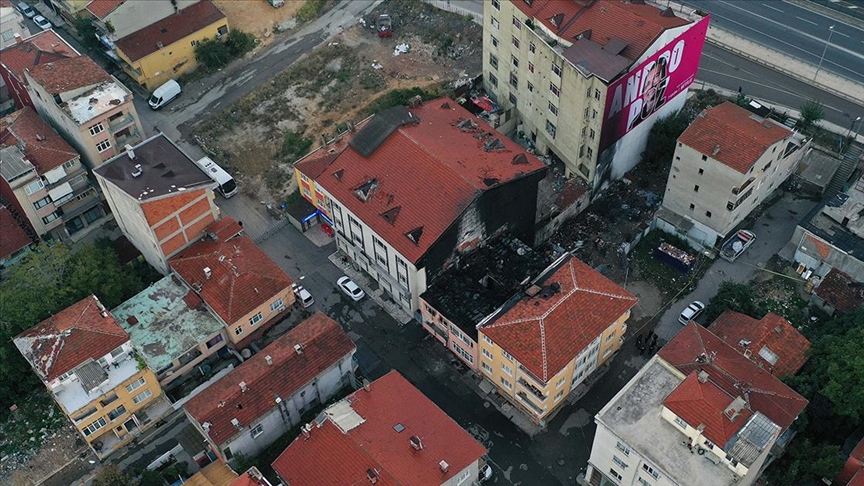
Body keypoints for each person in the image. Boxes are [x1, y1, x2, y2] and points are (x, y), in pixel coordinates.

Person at [628, 56, 669, 131]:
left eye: (656, 76)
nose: (651, 85)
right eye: (647, 84)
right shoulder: (635, 123)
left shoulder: (667, 97)